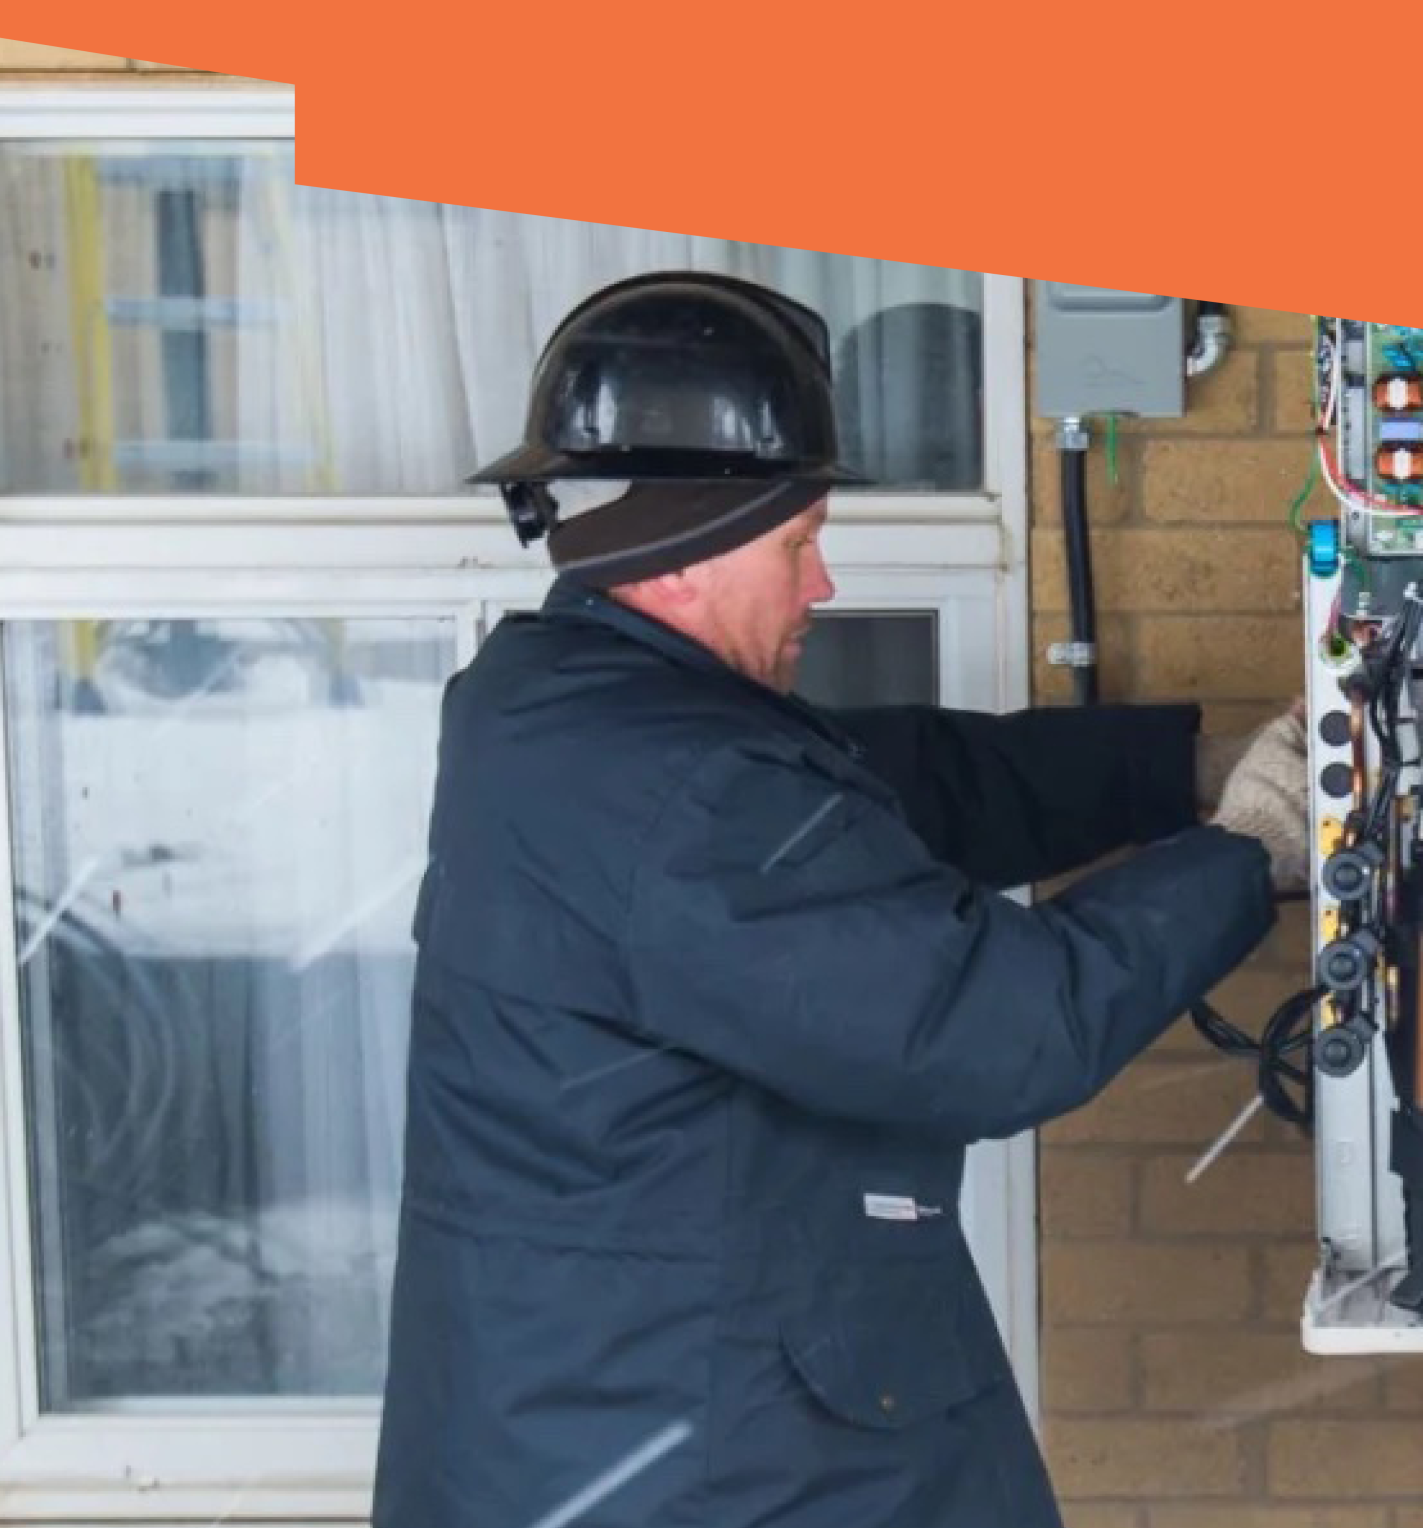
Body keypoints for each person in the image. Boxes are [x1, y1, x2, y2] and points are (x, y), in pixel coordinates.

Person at [373, 271, 1307, 1527]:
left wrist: (1176, 774)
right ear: (686, 553)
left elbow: (891, 783)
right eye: (799, 542)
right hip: (713, 1464)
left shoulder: (562, 709)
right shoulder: (684, 787)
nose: (821, 586)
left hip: (610, 1420)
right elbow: (994, 1031)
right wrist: (1250, 847)